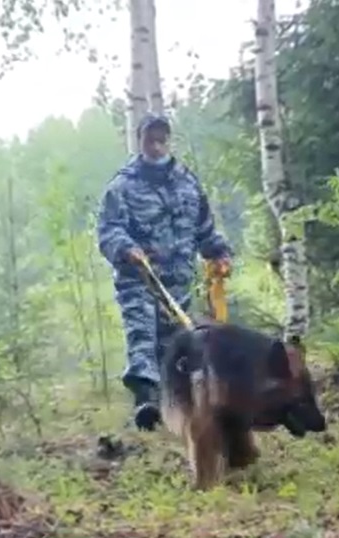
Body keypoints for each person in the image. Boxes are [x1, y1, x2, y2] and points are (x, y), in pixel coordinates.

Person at [95, 113, 233, 431]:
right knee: (142, 334)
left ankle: (172, 405)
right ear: (139, 141)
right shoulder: (123, 186)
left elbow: (204, 227)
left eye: (161, 139)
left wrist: (219, 254)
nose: (156, 146)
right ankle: (145, 400)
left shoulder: (188, 183)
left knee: (173, 345)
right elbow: (109, 229)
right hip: (140, 279)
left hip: (178, 281)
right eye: (150, 140)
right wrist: (126, 248)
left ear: (169, 141)